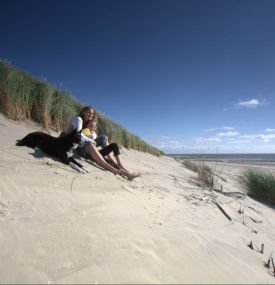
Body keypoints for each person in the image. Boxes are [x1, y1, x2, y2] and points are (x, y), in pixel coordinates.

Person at [66, 106, 140, 180]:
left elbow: (93, 134)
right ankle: (114, 169)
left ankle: (118, 164)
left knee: (104, 138)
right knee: (91, 144)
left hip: (86, 147)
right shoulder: (78, 119)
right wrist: (91, 140)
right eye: (89, 112)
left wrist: (92, 136)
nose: (91, 115)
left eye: (92, 113)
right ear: (83, 112)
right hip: (78, 148)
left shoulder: (87, 123)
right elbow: (78, 135)